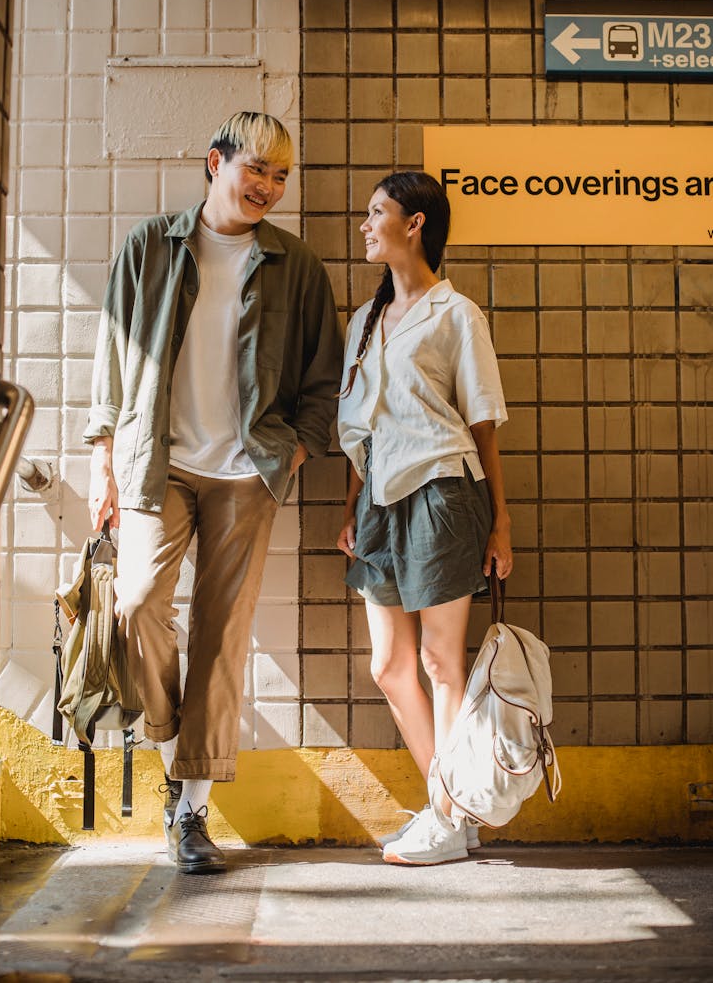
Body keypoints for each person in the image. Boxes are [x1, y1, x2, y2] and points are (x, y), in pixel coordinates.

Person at [84, 111, 343, 873]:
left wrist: (295, 449)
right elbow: (112, 354)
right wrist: (103, 461)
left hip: (247, 471)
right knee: (136, 606)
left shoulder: (295, 264)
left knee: (223, 636)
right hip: (155, 463)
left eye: (280, 176)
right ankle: (169, 740)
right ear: (215, 163)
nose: (267, 186)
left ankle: (191, 812)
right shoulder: (150, 245)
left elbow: (322, 378)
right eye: (255, 168)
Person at [336, 171, 512, 866]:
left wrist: (502, 523)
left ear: (414, 224)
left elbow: (484, 426)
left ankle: (444, 816)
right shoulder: (364, 319)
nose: (364, 225)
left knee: (442, 660)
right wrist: (351, 502)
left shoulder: (456, 314)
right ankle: (451, 805)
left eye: (376, 212)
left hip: (444, 491)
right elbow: (363, 423)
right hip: (380, 498)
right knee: (389, 664)